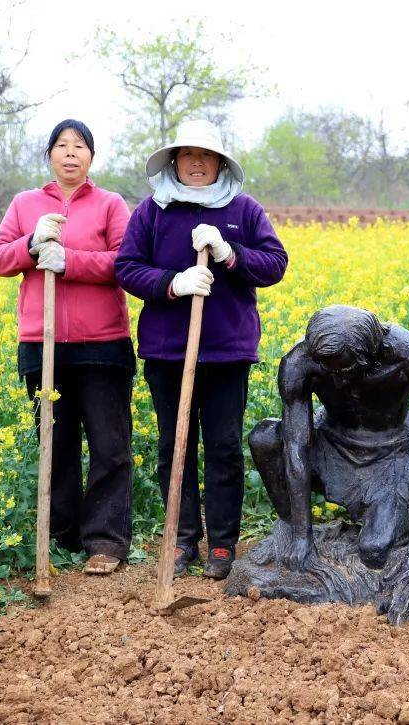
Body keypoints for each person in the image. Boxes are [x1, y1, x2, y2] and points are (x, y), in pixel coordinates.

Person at [115, 119, 288, 580]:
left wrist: (230, 253)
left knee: (225, 447)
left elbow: (275, 264)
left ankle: (223, 543)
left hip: (227, 353)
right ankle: (182, 537)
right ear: (174, 162)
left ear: (219, 163)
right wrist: (172, 283)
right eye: (187, 154)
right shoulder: (152, 211)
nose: (196, 162)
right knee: (175, 447)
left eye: (206, 155)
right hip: (168, 352)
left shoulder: (244, 209)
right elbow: (127, 267)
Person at [0, 118, 135, 575]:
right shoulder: (25, 203)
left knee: (110, 445)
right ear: (50, 155)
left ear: (92, 156)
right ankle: (62, 533)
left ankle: (106, 541)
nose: (70, 153)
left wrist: (69, 261)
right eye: (61, 146)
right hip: (42, 340)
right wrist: (31, 245)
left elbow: (124, 263)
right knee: (58, 442)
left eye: (80, 146)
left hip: (102, 343)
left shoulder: (110, 204)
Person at [248, 305, 409, 571]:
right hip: (331, 443)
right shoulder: (300, 362)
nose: (338, 383)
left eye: (346, 371)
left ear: (370, 356)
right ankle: (291, 526)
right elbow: (296, 445)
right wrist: (302, 536)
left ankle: (390, 518)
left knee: (375, 551)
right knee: (264, 438)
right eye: (329, 372)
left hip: (392, 457)